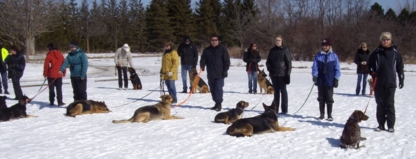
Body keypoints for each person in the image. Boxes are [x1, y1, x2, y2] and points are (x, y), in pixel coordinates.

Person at [368, 32, 404, 133]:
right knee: (380, 104)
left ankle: (391, 125)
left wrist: (401, 78)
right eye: (384, 40)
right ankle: (381, 124)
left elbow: (400, 67)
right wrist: (373, 72)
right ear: (381, 41)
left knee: (389, 104)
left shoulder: (395, 53)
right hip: (379, 83)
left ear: (391, 41)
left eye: (387, 40)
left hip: (390, 83)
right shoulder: (376, 53)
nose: (385, 41)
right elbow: (369, 65)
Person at [312, 38, 341, 121]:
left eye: (326, 46)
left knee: (329, 97)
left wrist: (336, 79)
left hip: (330, 80)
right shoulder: (318, 56)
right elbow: (315, 67)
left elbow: (337, 68)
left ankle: (329, 115)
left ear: (329, 46)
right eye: (323, 45)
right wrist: (314, 76)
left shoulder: (334, 56)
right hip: (320, 80)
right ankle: (321, 114)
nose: (324, 47)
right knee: (321, 98)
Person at [200, 34, 231, 111]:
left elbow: (226, 61)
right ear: (210, 41)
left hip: (220, 73)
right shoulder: (206, 50)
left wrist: (225, 70)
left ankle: (219, 103)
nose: (214, 42)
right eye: (213, 40)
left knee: (218, 88)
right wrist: (202, 65)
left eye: (215, 40)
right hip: (210, 74)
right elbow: (203, 59)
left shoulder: (222, 49)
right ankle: (216, 103)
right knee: (213, 89)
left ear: (218, 41)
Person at [266, 36, 292, 114]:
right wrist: (269, 68)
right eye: (276, 40)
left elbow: (289, 63)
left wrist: (287, 74)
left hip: (282, 75)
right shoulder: (272, 50)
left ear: (282, 41)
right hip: (274, 74)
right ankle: (275, 108)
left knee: (283, 92)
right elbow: (268, 62)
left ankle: (284, 110)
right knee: (276, 92)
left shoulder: (285, 50)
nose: (277, 42)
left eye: (279, 40)